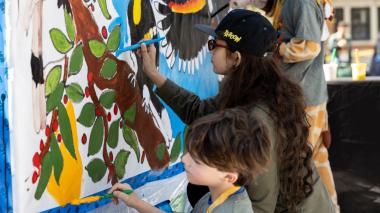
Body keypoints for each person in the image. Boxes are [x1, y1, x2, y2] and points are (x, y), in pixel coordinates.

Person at [139, 9, 334, 213]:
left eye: (214, 45)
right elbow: (198, 112)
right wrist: (153, 74)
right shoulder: (249, 90)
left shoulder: (258, 117)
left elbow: (261, 204)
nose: (209, 51)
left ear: (236, 57)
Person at [242, 0, 340, 212]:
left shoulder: (300, 1)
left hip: (302, 98)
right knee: (316, 164)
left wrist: (277, 49)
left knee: (300, 166)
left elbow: (310, 46)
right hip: (304, 95)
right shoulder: (289, 3)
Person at [110, 108, 271, 213]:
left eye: (197, 160)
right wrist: (136, 202)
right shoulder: (213, 196)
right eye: (190, 152)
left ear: (229, 176)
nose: (184, 159)